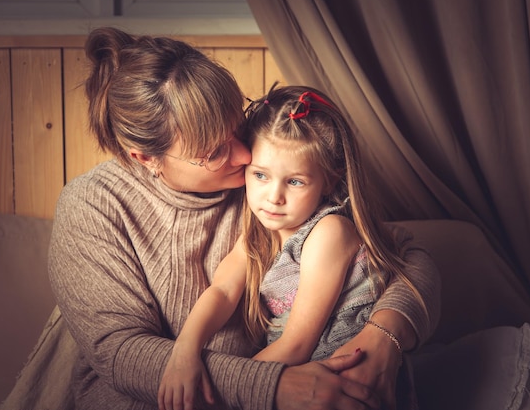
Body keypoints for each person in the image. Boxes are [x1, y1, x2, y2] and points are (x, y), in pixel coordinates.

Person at [47, 26, 440, 410]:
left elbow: (403, 253)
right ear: (146, 158)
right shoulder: (94, 206)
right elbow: (121, 352)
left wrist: (384, 333)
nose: (243, 156)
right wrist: (271, 387)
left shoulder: (265, 183)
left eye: (238, 128)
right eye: (214, 151)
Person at [160, 85, 428, 410]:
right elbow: (223, 290)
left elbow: (298, 344)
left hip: (354, 387)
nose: (274, 196)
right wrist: (186, 350)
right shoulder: (258, 234)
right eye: (260, 175)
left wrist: (232, 394)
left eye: (295, 181)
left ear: (328, 181)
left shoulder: (328, 233)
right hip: (302, 382)